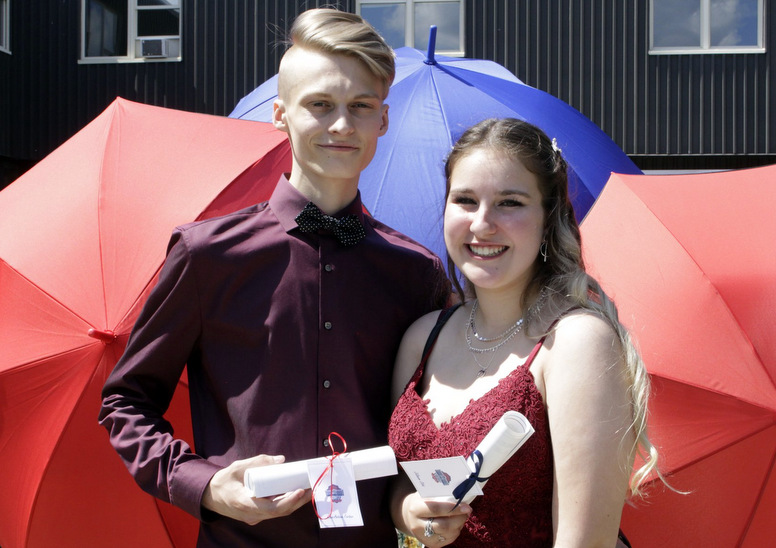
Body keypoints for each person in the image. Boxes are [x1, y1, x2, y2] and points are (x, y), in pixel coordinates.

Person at [98, 8, 450, 548]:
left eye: (360, 106)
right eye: (320, 105)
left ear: (382, 120)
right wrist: (206, 485)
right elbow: (125, 402)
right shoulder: (206, 255)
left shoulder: (416, 272)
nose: (341, 125)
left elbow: (427, 422)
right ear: (281, 115)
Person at [388, 118, 660, 547]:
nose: (481, 224)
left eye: (509, 203)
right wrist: (408, 512)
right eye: (465, 200)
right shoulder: (422, 338)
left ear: (548, 219)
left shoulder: (575, 343)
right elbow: (399, 483)